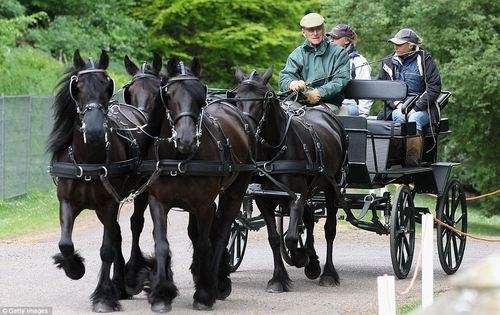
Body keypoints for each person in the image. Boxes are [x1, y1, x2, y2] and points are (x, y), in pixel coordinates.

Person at [376, 28, 442, 166]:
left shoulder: (425, 59)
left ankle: (412, 158)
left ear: (410, 45)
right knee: (399, 116)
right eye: (395, 44)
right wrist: (398, 105)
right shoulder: (388, 62)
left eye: (399, 44)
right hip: (399, 106)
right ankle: (395, 157)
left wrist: (416, 107)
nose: (396, 47)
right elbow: (383, 87)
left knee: (413, 119)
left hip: (424, 108)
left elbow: (434, 87)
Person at [278, 13, 350, 114]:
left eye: (318, 29)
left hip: (328, 103)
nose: (315, 33)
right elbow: (285, 77)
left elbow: (341, 80)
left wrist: (319, 93)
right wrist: (292, 83)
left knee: (314, 116)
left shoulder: (339, 53)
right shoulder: (297, 54)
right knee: (281, 113)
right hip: (299, 102)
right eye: (311, 30)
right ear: (304, 32)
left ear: (323, 30)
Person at [327, 23, 373, 117]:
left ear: (346, 41)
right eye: (330, 37)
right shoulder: (326, 59)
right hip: (328, 104)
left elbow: (366, 91)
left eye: (335, 38)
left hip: (350, 105)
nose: (331, 40)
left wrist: (363, 114)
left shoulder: (359, 61)